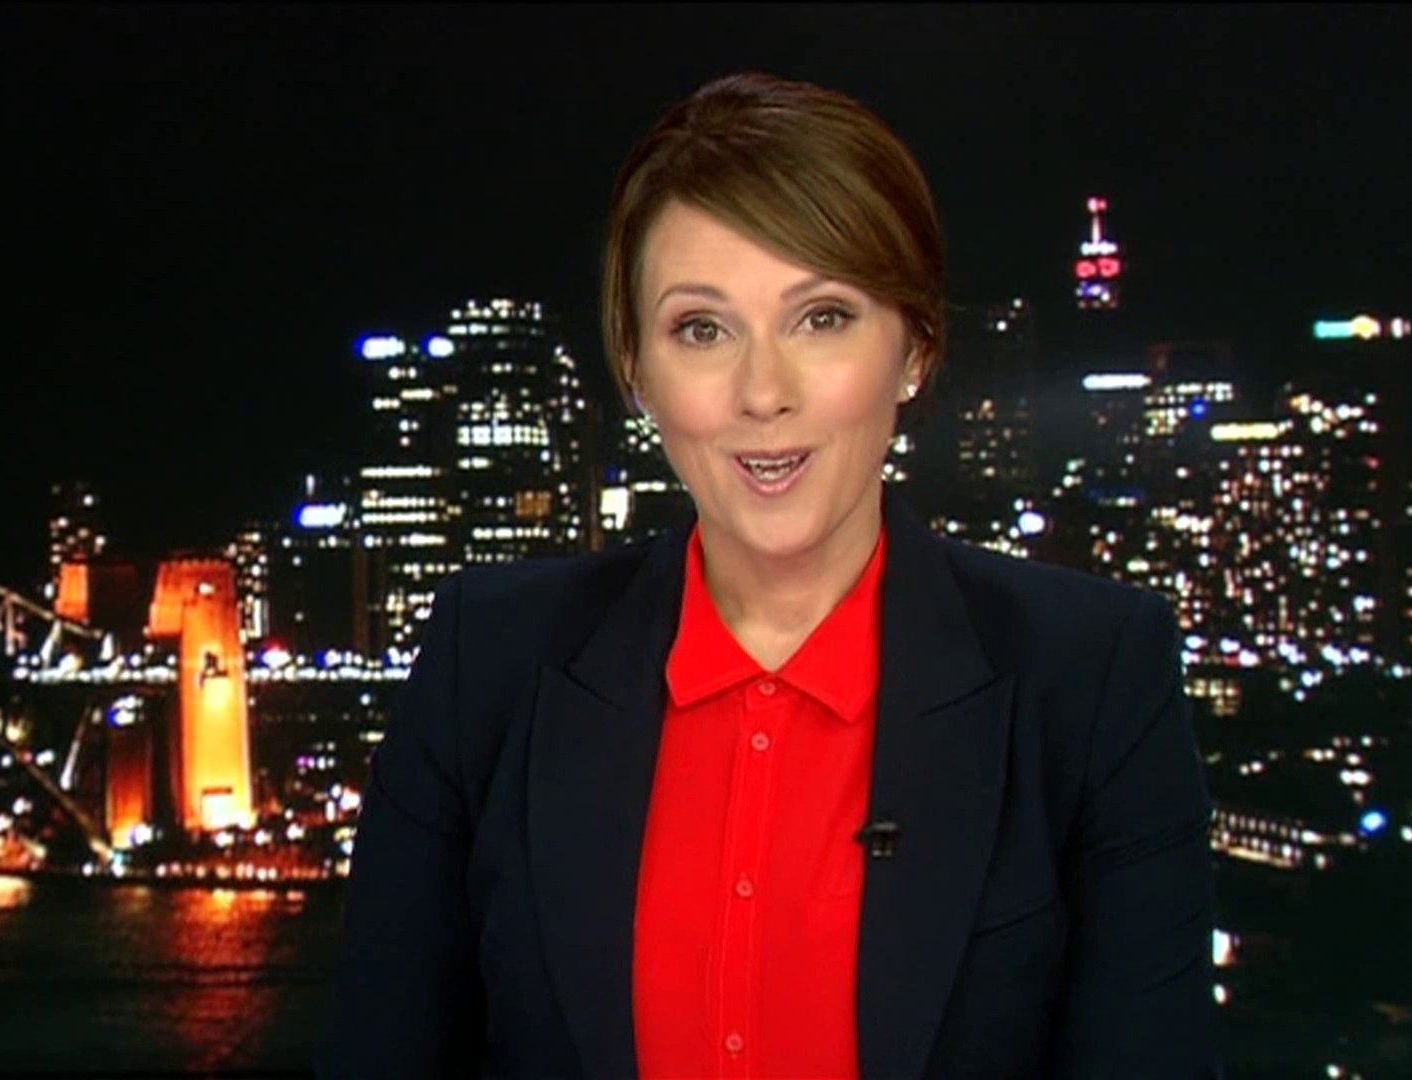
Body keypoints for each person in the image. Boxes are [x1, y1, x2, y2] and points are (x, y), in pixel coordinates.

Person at [317, 72, 1221, 1079]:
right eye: (702, 330)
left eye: (822, 318)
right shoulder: (483, 663)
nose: (762, 393)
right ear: (636, 369)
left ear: (915, 350)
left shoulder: (1093, 679)